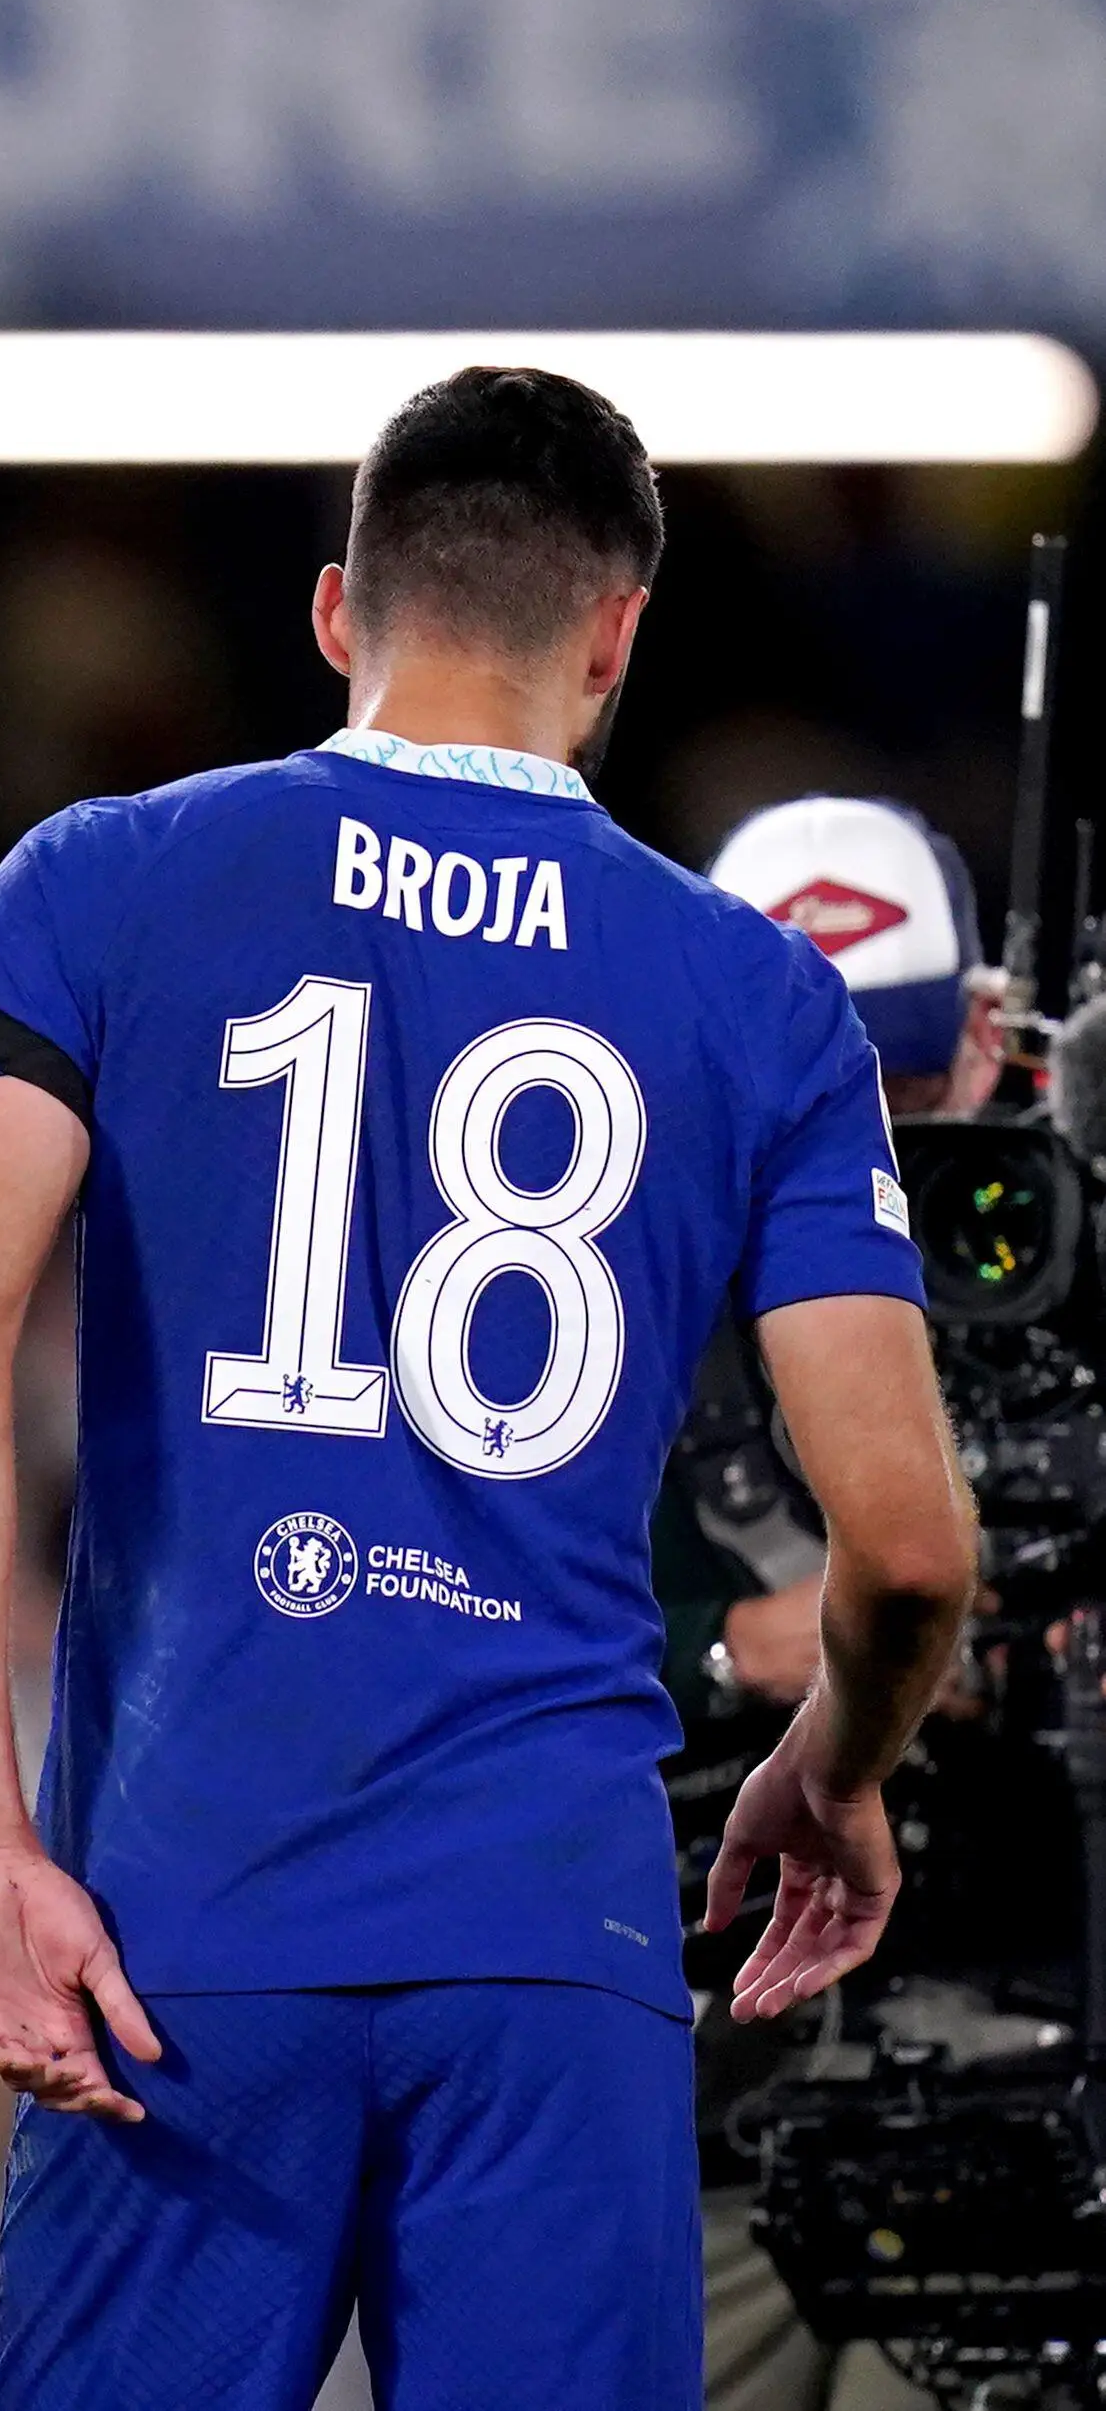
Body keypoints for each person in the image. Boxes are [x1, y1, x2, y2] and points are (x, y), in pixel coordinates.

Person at [0, 366, 982, 2408]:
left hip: (181, 1924)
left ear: (331, 615)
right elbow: (908, 1547)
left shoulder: (100, 878)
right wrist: (832, 1764)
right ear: (618, 635)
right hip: (555, 1945)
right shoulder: (762, 1001)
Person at [659, 795, 1011, 2411]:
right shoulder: (585, 1283)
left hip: (1013, 2085)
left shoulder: (1066, 1295)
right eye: (797, 1090)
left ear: (992, 1045)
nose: (848, 1150)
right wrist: (733, 1648)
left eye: (897, 1088)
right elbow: (424, 1617)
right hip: (694, 2103)